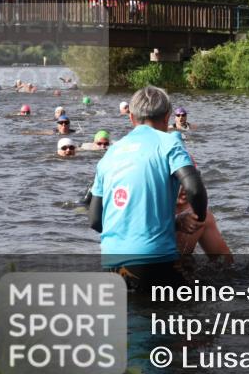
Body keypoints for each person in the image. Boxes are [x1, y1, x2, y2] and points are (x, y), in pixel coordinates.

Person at [88, 86, 208, 291]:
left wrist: (174, 222)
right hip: (155, 259)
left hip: (111, 263)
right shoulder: (170, 142)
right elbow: (194, 189)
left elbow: (95, 221)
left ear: (131, 118)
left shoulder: (110, 153)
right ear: (168, 116)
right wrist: (197, 219)